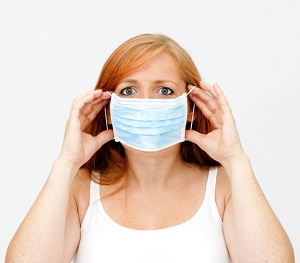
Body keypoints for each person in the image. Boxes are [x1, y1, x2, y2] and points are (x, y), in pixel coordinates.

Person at [6, 34, 294, 263]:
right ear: (108, 106)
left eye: (165, 90)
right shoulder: (81, 188)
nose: (146, 102)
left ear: (191, 106)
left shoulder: (224, 187)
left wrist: (236, 160)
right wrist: (66, 163)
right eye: (128, 90)